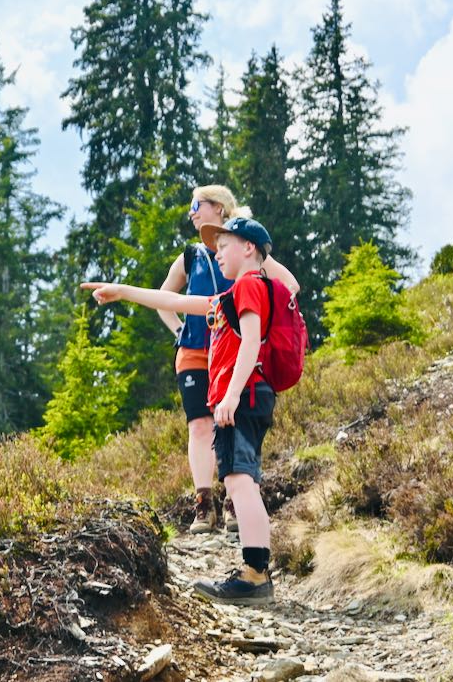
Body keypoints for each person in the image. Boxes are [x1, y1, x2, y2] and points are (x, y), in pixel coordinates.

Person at [82, 216, 288, 606]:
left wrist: (230, 395)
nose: (217, 253)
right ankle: (256, 571)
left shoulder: (248, 286)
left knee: (240, 482)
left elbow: (250, 342)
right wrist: (123, 291)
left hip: (243, 396)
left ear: (248, 248)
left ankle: (255, 575)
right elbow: (176, 302)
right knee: (243, 482)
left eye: (224, 246)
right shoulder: (238, 293)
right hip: (252, 395)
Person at [160, 186, 298, 535]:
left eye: (197, 204)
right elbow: (165, 298)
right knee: (199, 425)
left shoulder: (245, 246)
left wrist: (260, 320)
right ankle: (204, 503)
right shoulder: (190, 256)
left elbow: (288, 285)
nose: (191, 212)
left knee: (233, 419)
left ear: (219, 207)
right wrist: (179, 330)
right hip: (194, 349)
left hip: (235, 350)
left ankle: (236, 499)